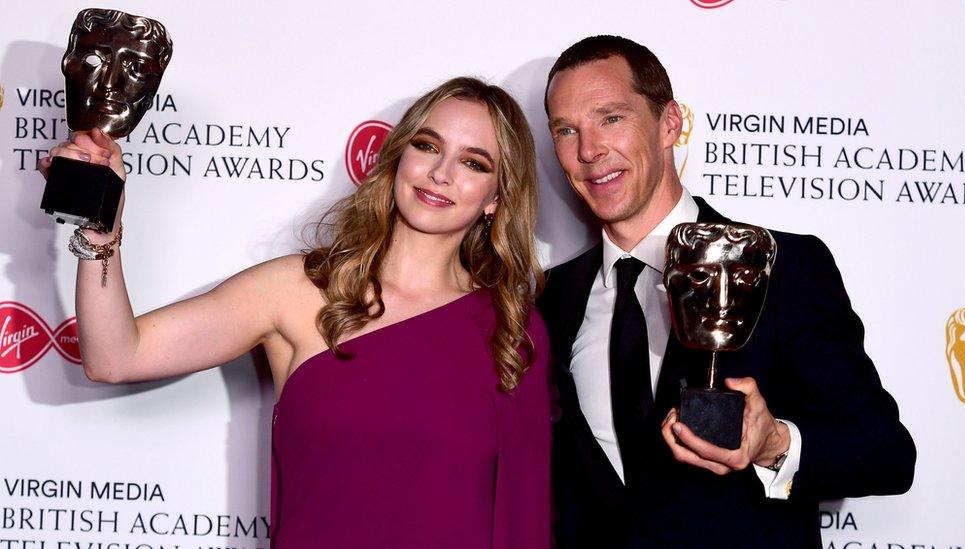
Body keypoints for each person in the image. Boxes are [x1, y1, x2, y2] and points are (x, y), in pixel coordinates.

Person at [39, 77, 551, 549]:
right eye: (428, 146)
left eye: (474, 163)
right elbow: (115, 357)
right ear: (399, 156)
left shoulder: (510, 329)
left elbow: (523, 518)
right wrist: (101, 226)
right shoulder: (296, 290)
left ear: (496, 197)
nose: (441, 173)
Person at [537, 35, 916, 548]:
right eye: (566, 130)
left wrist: (773, 443)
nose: (589, 149)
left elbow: (887, 454)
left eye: (612, 117)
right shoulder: (546, 299)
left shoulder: (781, 267)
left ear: (669, 123)